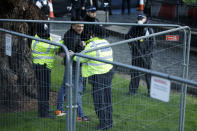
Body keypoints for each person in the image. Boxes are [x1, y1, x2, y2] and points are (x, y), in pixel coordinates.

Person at [73, 36, 114, 130]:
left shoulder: (92, 45)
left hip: (98, 75)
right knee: (107, 100)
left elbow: (82, 58)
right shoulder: (105, 42)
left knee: (99, 102)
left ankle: (103, 124)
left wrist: (72, 54)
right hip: (108, 72)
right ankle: (109, 122)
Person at [56, 20, 90, 122]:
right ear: (73, 26)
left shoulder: (71, 33)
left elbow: (68, 52)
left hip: (71, 65)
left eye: (82, 26)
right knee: (77, 90)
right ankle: (80, 116)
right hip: (74, 67)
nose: (81, 28)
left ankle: (59, 110)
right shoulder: (72, 36)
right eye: (79, 26)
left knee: (65, 86)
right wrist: (82, 46)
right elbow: (72, 54)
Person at [32, 23, 61, 118]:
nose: (46, 35)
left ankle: (44, 109)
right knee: (43, 90)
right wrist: (63, 42)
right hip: (41, 68)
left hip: (45, 67)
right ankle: (43, 114)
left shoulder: (44, 37)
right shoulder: (38, 42)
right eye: (44, 33)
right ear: (39, 33)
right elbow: (55, 47)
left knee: (45, 89)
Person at [125, 14, 155, 96]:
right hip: (136, 53)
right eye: (139, 19)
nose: (140, 20)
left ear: (145, 19)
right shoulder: (134, 26)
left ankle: (151, 91)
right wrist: (132, 42)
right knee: (134, 72)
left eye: (142, 19)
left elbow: (152, 43)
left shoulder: (149, 28)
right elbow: (127, 37)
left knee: (148, 73)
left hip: (146, 55)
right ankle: (132, 90)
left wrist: (147, 53)